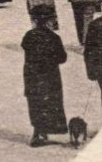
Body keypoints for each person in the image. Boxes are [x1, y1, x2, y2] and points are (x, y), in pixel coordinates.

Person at [20, 9, 69, 147]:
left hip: (32, 75)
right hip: (50, 76)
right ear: (48, 21)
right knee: (50, 102)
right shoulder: (54, 38)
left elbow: (24, 47)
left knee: (35, 102)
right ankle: (45, 131)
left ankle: (38, 131)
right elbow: (62, 58)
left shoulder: (29, 36)